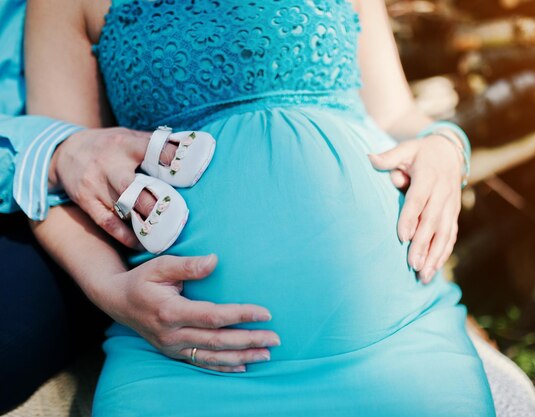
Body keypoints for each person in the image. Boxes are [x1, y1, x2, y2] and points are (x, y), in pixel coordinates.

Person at [26, 0, 497, 415]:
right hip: (186, 368)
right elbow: (55, 177)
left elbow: (395, 116)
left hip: (400, 344)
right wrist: (112, 289)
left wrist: (446, 144)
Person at [0, 0, 279, 411]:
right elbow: (59, 187)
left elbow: (391, 111)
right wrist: (110, 288)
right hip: (47, 198)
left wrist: (413, 142)